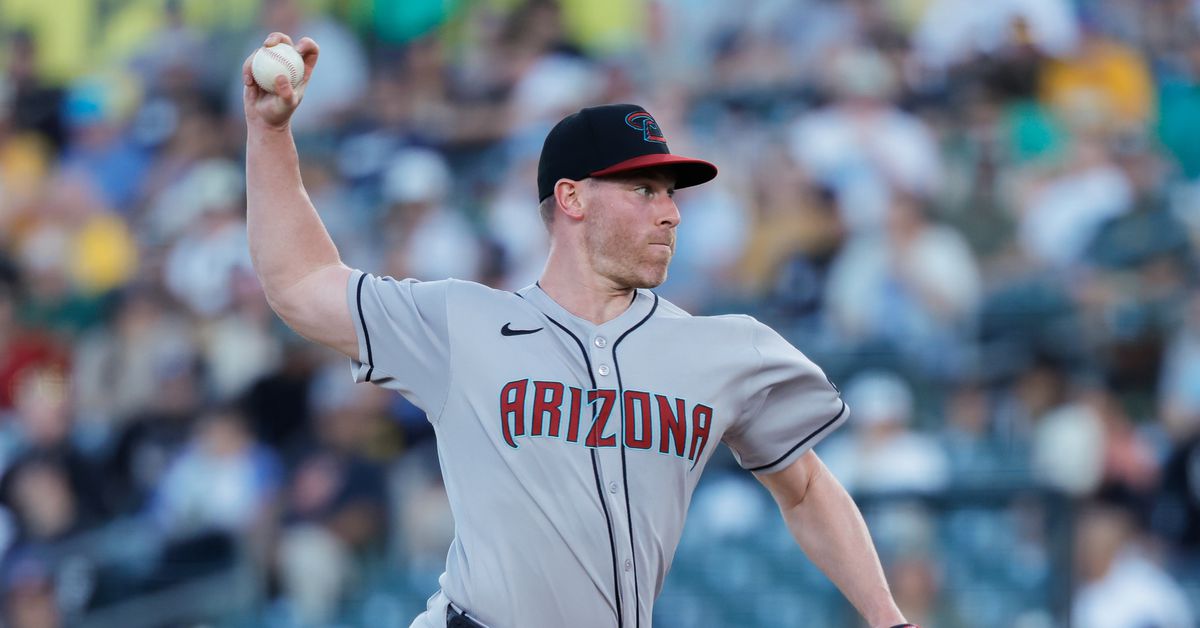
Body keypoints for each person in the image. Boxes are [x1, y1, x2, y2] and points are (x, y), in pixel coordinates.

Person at [243, 32, 915, 628]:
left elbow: (806, 487)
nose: (670, 213)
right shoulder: (461, 323)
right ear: (571, 198)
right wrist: (271, 136)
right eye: (644, 190)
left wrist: (887, 618)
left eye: (671, 193)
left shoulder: (723, 350)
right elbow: (300, 284)